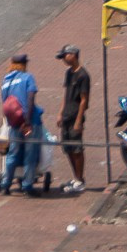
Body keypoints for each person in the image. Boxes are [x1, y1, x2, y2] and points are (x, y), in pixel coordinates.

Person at [0, 51, 40, 195]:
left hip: (14, 123)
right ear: (24, 64)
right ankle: (27, 186)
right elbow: (30, 98)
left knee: (12, 153)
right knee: (30, 154)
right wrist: (27, 121)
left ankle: (6, 184)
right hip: (29, 123)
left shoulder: (6, 80)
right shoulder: (28, 77)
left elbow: (4, 102)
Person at [56, 45, 90, 194]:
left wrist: (78, 120)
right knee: (68, 148)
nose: (64, 59)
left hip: (76, 116)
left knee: (77, 149)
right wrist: (60, 113)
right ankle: (76, 178)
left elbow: (84, 100)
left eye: (65, 56)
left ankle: (80, 179)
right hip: (66, 116)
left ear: (73, 55)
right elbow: (66, 94)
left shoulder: (83, 75)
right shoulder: (68, 73)